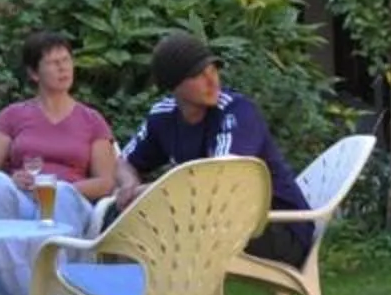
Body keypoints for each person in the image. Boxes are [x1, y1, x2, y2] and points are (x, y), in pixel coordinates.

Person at [117, 30, 313, 264]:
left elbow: (217, 182)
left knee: (166, 232)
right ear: (173, 84)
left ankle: (162, 287)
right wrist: (129, 184)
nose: (212, 81)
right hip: (219, 224)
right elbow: (124, 162)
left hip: (279, 227)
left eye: (213, 70)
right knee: (128, 223)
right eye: (199, 75)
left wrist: (148, 193)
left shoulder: (237, 112)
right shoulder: (163, 117)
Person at [0, 28, 117, 233]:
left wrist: (53, 188)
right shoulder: (13, 115)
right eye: (52, 63)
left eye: (66, 60)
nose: (62, 68)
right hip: (22, 199)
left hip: (69, 202)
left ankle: (53, 255)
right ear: (34, 73)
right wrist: (12, 180)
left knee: (61, 195)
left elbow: (106, 182)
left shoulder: (91, 120)